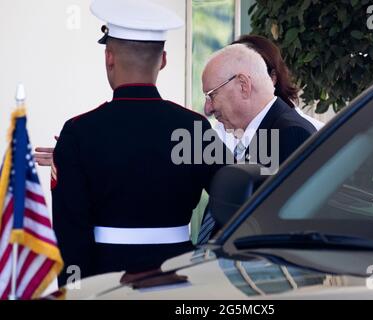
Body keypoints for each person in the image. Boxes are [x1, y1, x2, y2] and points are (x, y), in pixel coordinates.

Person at [52, 0, 224, 285]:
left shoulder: (78, 132)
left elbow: (71, 230)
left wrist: (75, 288)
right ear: (164, 60)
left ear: (109, 57)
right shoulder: (194, 128)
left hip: (105, 278)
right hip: (180, 275)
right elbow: (231, 195)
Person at [197, 44, 317, 244]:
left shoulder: (290, 134)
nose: (208, 108)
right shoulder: (268, 130)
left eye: (212, 94)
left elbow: (281, 230)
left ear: (243, 85)